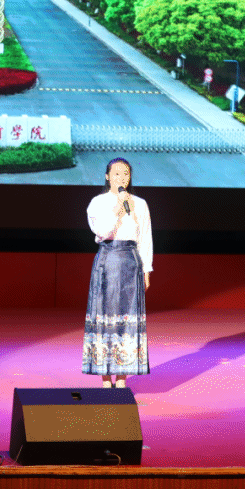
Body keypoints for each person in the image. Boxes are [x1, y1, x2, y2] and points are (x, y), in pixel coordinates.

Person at [82, 157, 152, 388]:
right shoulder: (98, 202)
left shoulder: (140, 204)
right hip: (108, 260)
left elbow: (145, 238)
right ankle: (105, 377)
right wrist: (117, 209)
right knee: (105, 317)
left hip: (131, 262)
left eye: (126, 174)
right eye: (117, 174)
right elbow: (102, 231)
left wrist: (146, 269)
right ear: (107, 176)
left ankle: (122, 377)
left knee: (127, 319)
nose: (122, 178)